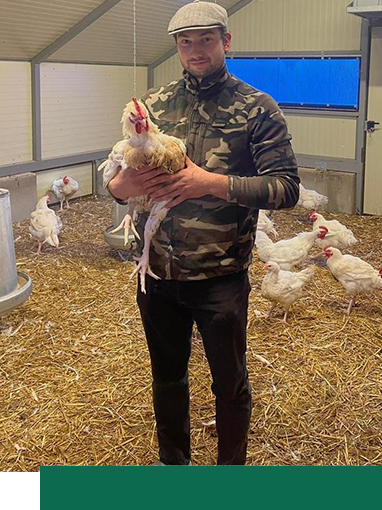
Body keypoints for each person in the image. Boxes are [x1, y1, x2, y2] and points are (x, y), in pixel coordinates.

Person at [106, 0, 300, 466]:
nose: (195, 50)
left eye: (206, 40)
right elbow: (115, 182)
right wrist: (121, 187)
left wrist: (208, 182)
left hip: (219, 276)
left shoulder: (257, 108)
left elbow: (286, 188)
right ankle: (174, 465)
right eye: (185, 42)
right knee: (167, 377)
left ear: (226, 41)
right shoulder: (153, 104)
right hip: (157, 274)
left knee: (228, 384)